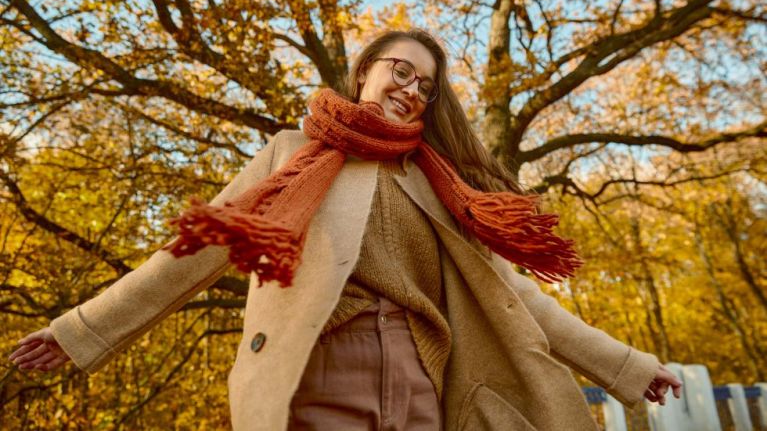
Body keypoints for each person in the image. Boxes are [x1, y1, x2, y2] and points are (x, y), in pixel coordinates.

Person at [8, 28, 681, 430]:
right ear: (365, 72)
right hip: (321, 369)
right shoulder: (289, 153)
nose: (412, 88)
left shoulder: (441, 184)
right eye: (400, 70)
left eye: (426, 85)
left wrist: (626, 366)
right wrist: (82, 329)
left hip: (425, 380)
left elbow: (517, 299)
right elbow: (196, 250)